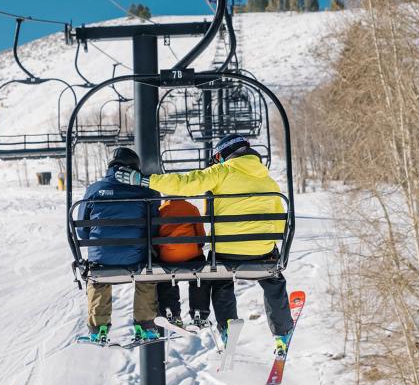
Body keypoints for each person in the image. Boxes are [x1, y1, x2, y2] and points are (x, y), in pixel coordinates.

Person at [114, 134, 294, 353]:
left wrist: (146, 180)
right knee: (274, 281)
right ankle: (282, 332)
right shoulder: (268, 180)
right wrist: (265, 246)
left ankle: (227, 326)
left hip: (228, 251)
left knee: (220, 280)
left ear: (223, 155)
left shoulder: (222, 171)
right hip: (262, 250)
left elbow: (186, 183)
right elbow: (279, 221)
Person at [77, 147, 161, 344]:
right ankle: (146, 326)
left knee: (98, 277)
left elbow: (82, 231)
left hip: (102, 258)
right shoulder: (147, 191)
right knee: (147, 273)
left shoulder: (94, 190)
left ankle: (98, 329)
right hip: (136, 257)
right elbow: (155, 228)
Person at [156, 197, 210, 328]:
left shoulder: (160, 211)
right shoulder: (191, 208)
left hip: (167, 257)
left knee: (166, 279)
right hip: (192, 257)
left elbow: (155, 237)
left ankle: (171, 312)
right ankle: (199, 313)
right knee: (199, 277)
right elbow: (201, 237)